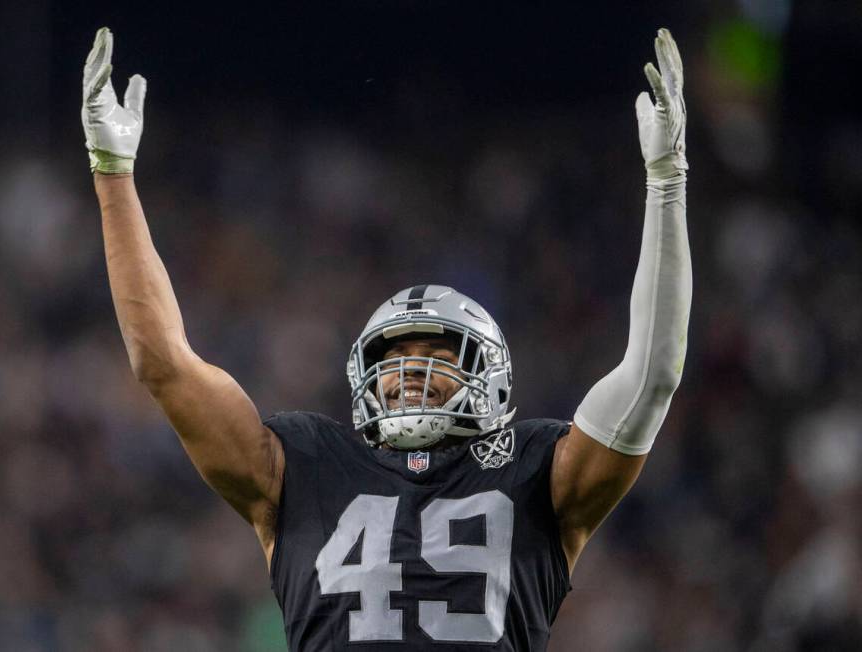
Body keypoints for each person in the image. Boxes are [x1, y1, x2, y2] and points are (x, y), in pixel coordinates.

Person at [83, 25, 691, 651]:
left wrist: (666, 182)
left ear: (492, 377)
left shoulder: (538, 473)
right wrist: (114, 176)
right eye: (395, 356)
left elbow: (652, 375)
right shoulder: (301, 466)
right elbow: (163, 363)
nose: (409, 372)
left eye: (436, 354)